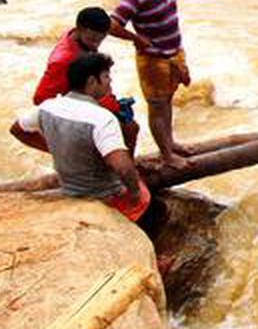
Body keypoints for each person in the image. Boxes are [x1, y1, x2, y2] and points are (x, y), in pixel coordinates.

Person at [10, 53, 159, 227]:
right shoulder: (102, 119)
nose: (110, 81)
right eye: (106, 77)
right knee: (146, 198)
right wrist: (134, 193)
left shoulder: (47, 107)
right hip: (104, 196)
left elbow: (17, 130)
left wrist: (54, 147)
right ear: (91, 82)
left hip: (70, 191)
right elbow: (123, 167)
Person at [110, 0, 192, 168]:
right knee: (157, 106)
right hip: (154, 61)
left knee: (167, 101)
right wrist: (136, 39)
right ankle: (167, 155)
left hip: (173, 54)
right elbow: (113, 25)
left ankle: (170, 143)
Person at [34, 7, 138, 153]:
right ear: (80, 29)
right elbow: (40, 98)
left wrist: (136, 39)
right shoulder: (63, 61)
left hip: (94, 99)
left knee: (130, 128)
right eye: (93, 39)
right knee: (129, 130)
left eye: (101, 39)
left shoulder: (78, 36)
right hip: (81, 110)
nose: (96, 45)